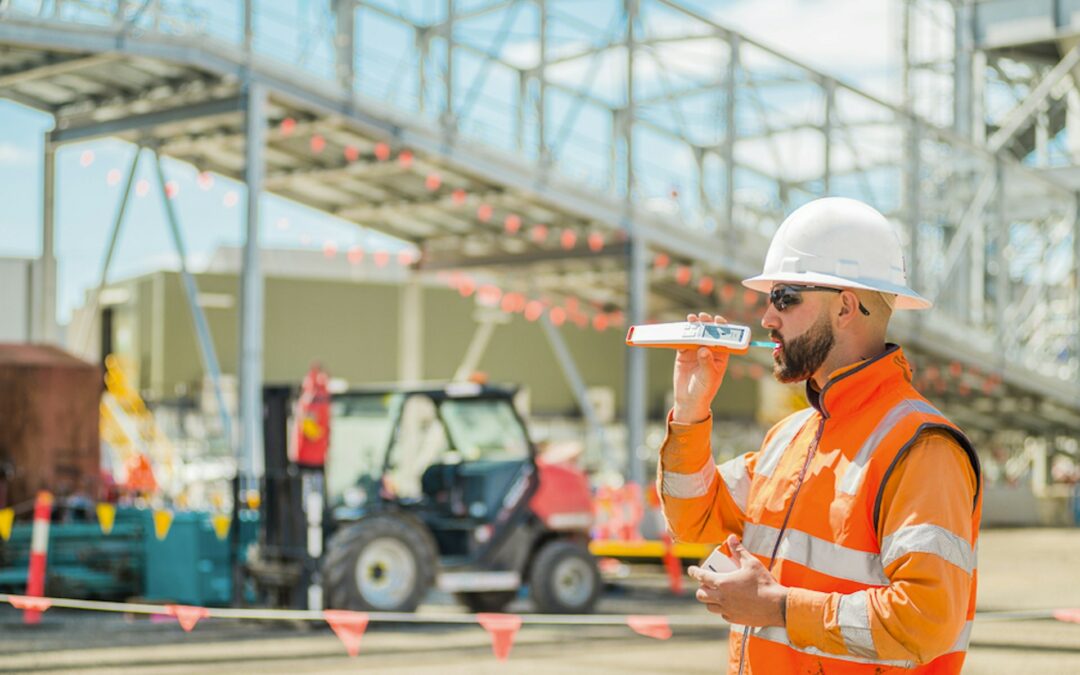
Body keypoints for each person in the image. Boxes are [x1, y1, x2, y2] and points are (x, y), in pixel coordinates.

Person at [658, 197, 981, 674]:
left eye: (784, 297)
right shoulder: (790, 438)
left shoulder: (922, 448)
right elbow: (692, 519)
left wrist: (777, 607)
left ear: (847, 307)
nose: (768, 317)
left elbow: (925, 620)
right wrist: (690, 409)